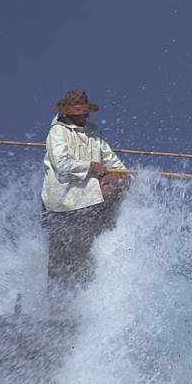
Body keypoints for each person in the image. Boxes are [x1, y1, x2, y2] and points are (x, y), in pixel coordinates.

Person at [41, 88, 129, 295]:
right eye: (80, 111)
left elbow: (111, 160)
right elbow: (62, 164)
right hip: (62, 205)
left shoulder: (93, 132)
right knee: (62, 263)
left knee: (86, 258)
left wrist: (125, 174)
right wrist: (90, 166)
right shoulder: (58, 132)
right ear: (70, 112)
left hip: (88, 203)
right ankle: (57, 311)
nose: (85, 115)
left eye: (85, 111)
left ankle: (88, 302)